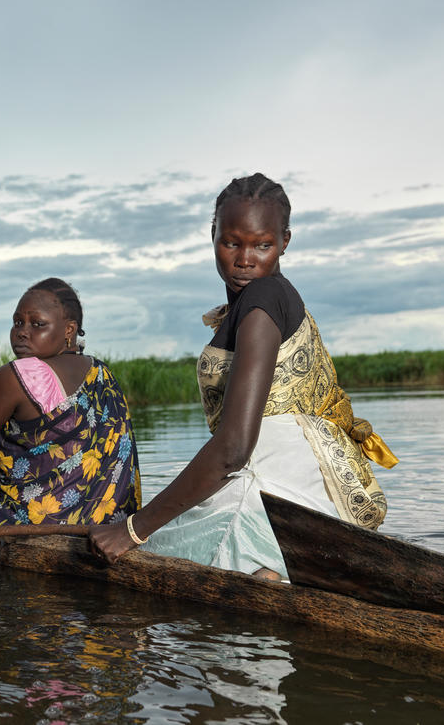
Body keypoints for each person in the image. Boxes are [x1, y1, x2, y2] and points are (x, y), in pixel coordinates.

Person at [89, 173, 397, 578]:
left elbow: (234, 447)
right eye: (231, 242)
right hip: (314, 481)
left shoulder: (261, 300)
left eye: (262, 245)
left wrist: (134, 529)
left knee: (154, 559)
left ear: (285, 241)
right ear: (212, 234)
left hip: (272, 484)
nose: (245, 259)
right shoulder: (268, 298)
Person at [0, 278, 141, 527]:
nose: (22, 332)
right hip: (106, 527)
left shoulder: (18, 374)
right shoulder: (102, 373)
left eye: (37, 324)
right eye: (17, 322)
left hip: (25, 527)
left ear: (69, 330)